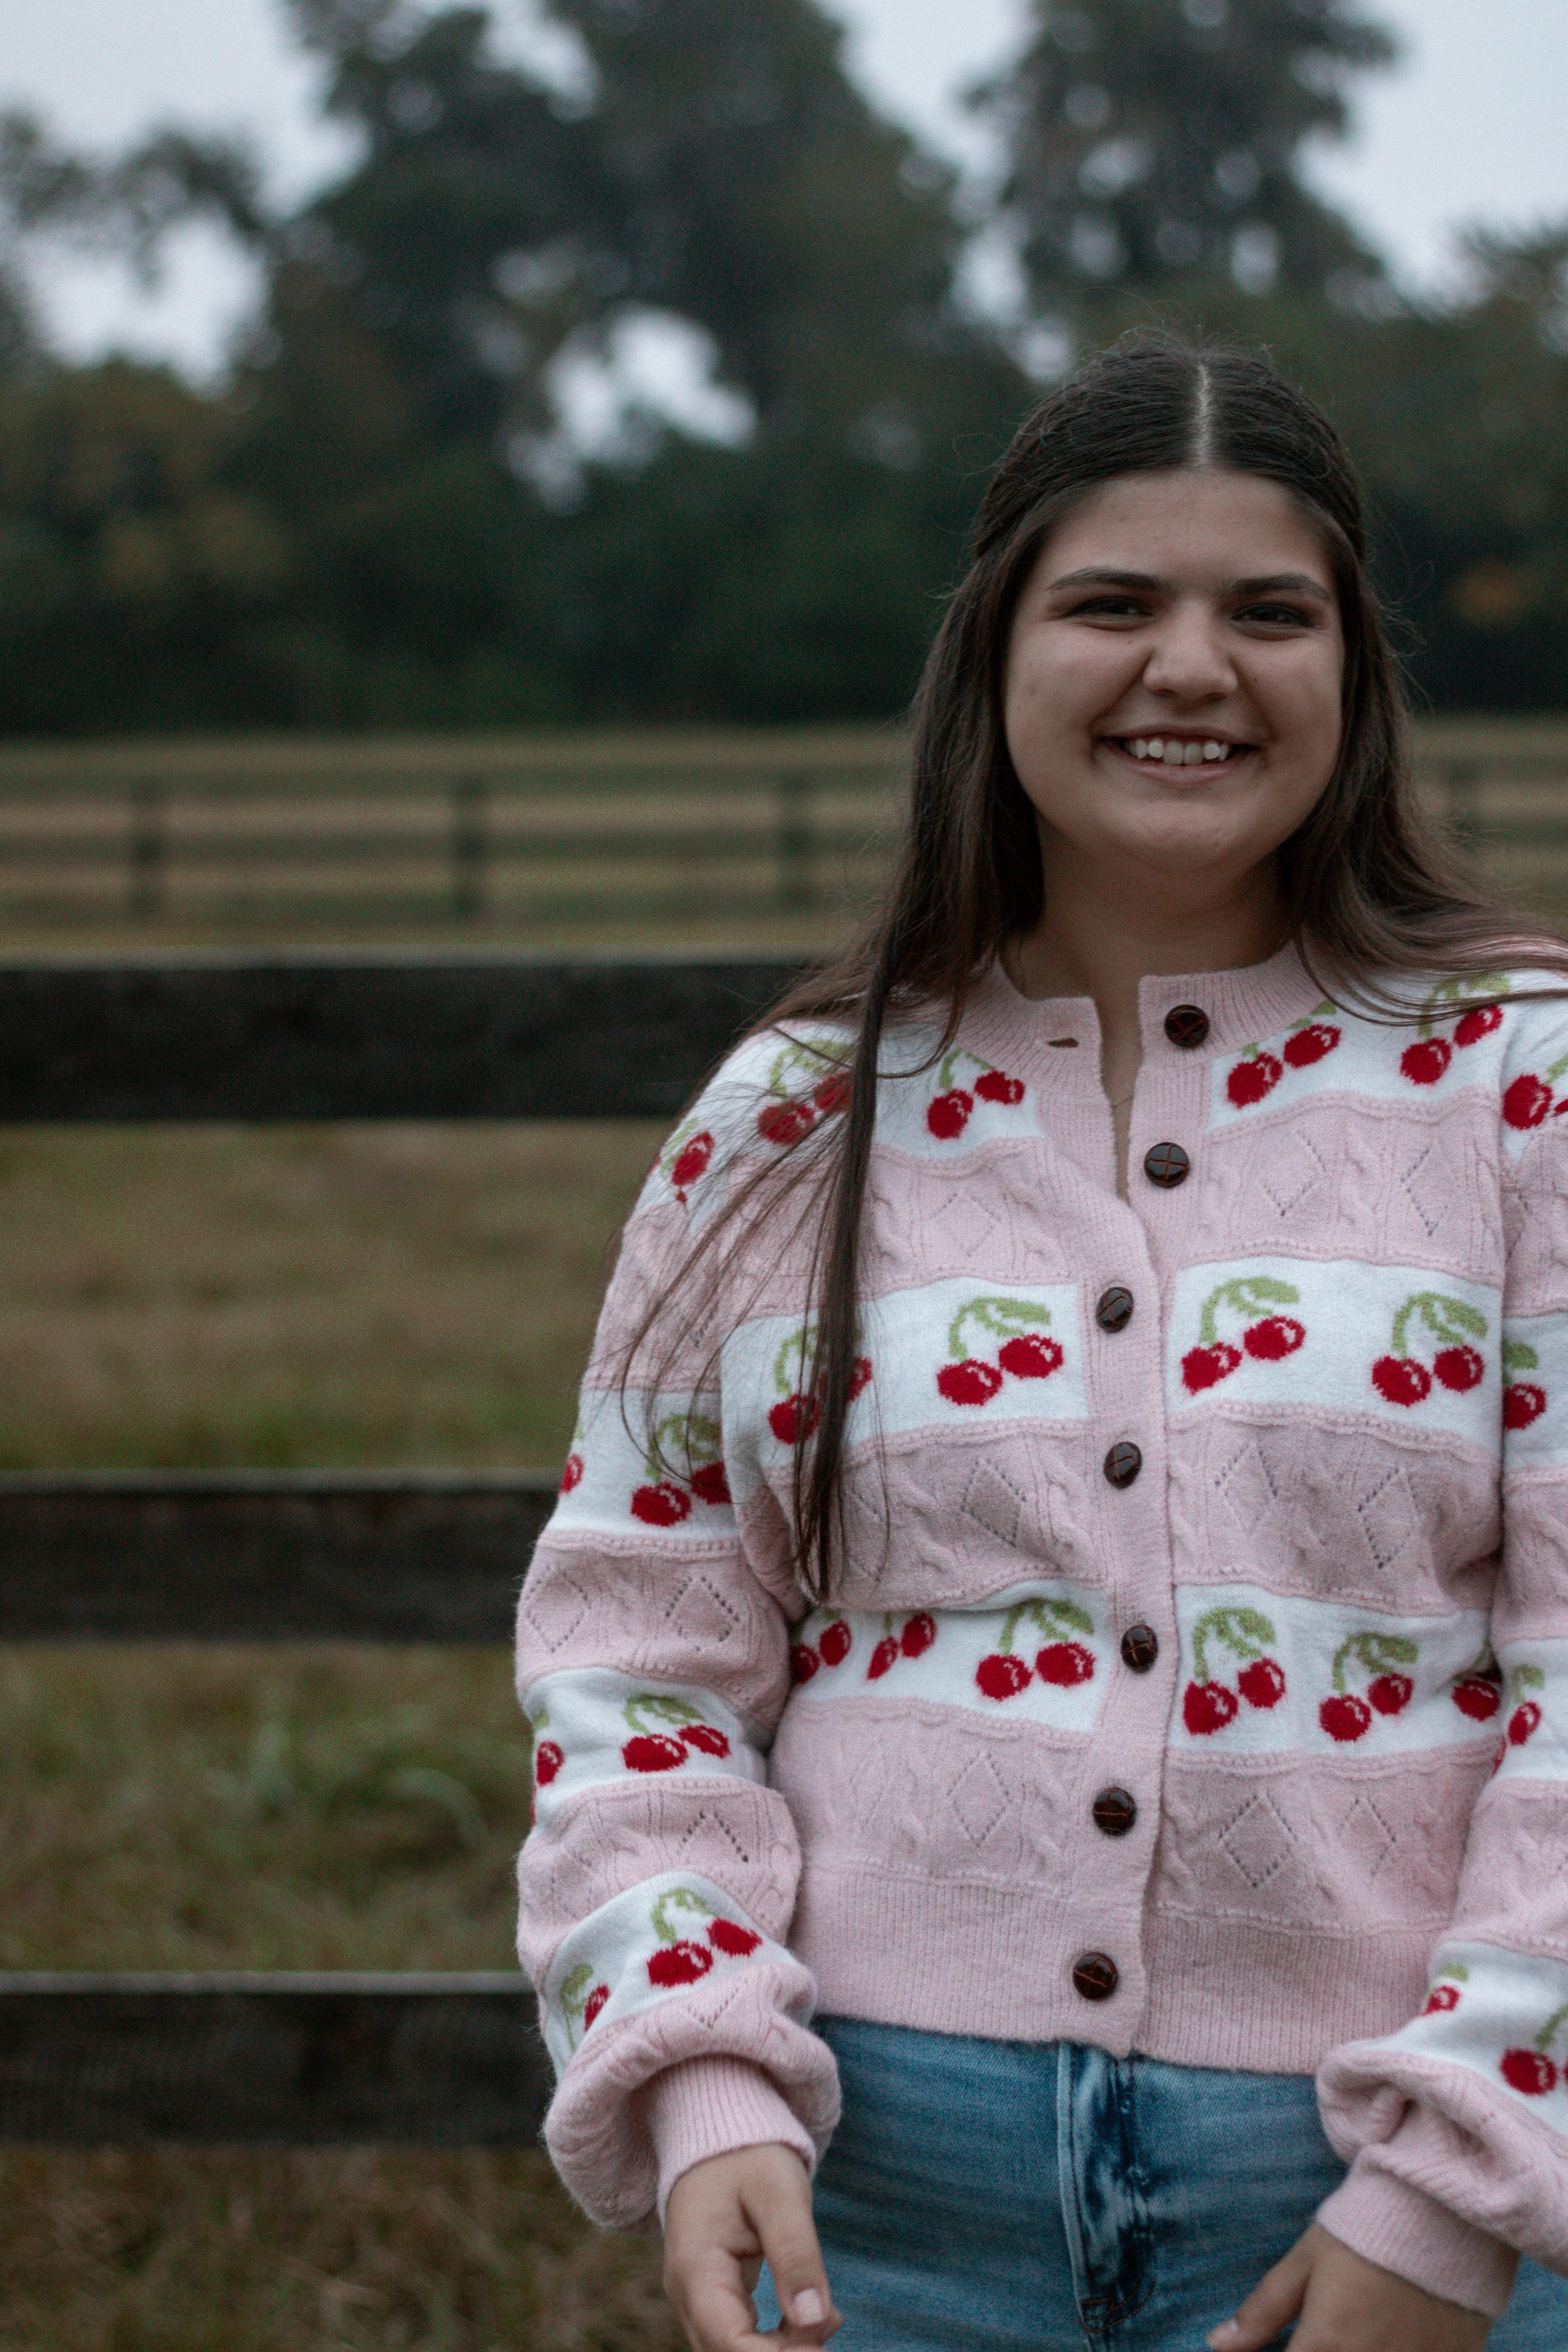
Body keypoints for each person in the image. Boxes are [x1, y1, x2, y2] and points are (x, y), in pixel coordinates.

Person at [514, 340, 1568, 2351]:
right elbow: (633, 1649)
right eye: (1112, 603)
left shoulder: (1521, 1082)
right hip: (884, 2210)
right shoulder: (795, 1114)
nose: (1195, 665)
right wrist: (699, 2068)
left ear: (1354, 677)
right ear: (993, 658)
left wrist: (1460, 2188)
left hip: (1380, 2206)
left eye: (1272, 611)